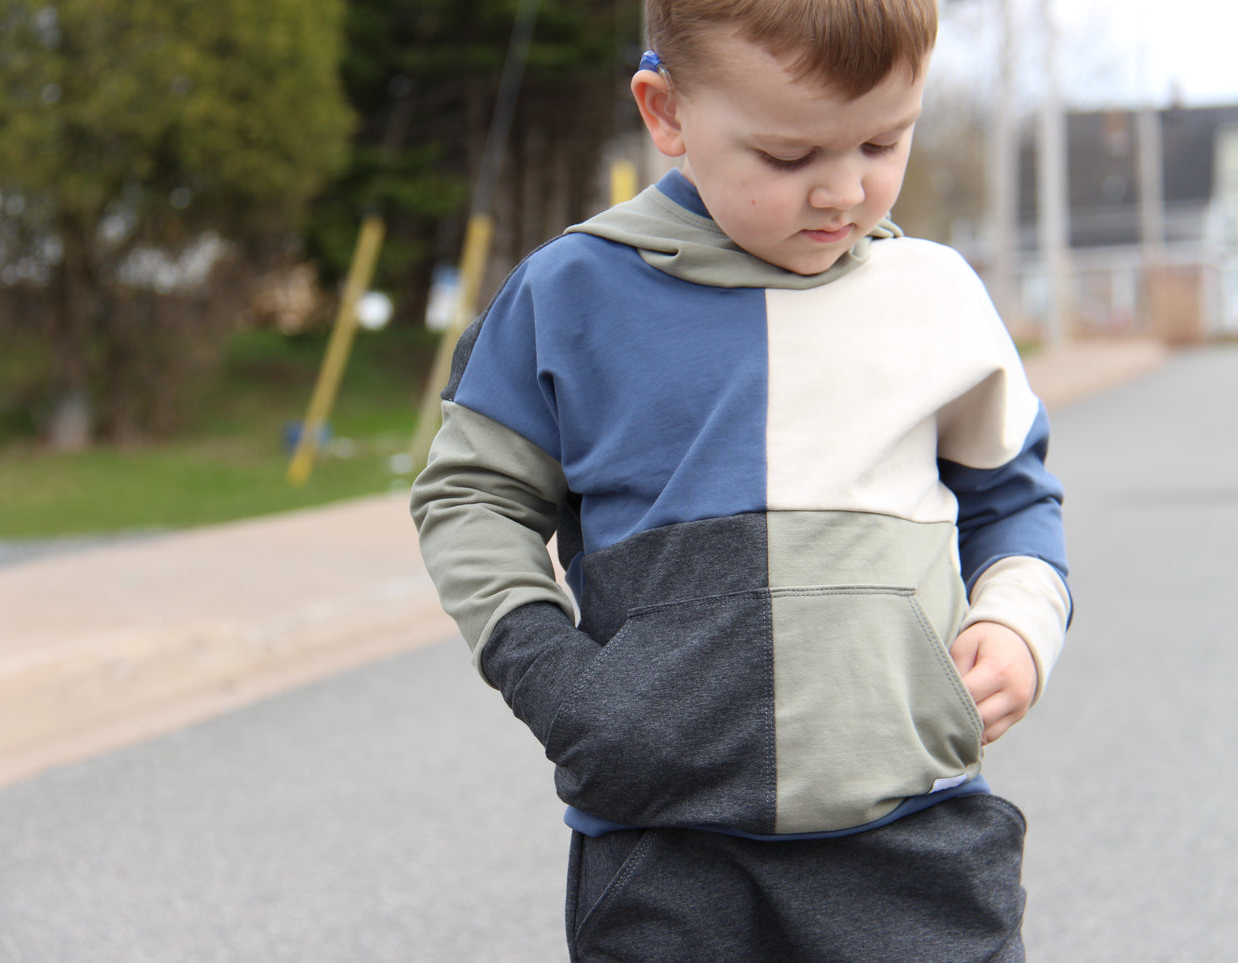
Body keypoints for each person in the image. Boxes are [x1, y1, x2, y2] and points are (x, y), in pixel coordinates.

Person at [410, 0, 1070, 959]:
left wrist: (1017, 621)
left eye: (884, 140)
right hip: (669, 855)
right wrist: (556, 684)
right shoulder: (569, 294)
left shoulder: (938, 298)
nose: (842, 191)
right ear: (665, 111)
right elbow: (470, 498)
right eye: (789, 157)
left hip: (917, 839)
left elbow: (1013, 497)